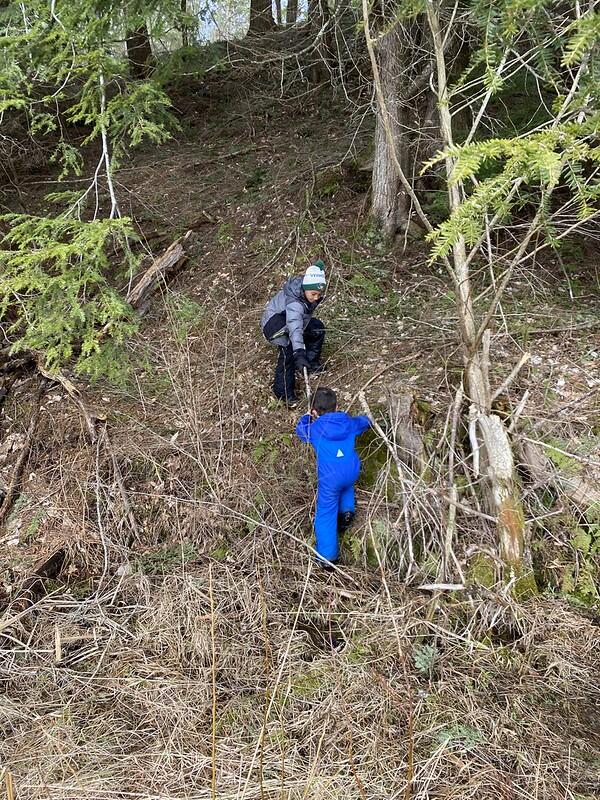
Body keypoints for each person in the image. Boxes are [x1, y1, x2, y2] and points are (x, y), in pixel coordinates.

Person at [295, 387, 371, 566]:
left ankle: (327, 557)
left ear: (315, 411)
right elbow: (364, 422)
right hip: (352, 470)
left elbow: (300, 430)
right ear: (336, 406)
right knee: (346, 485)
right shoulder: (348, 423)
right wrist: (366, 417)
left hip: (330, 477)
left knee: (325, 513)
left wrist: (307, 417)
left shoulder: (315, 429)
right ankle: (347, 513)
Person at [261, 260, 327, 406]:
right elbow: (295, 326)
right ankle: (283, 392)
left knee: (317, 328)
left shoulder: (305, 293)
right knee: (288, 352)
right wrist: (299, 351)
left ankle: (309, 363)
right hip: (274, 325)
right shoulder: (295, 303)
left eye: (319, 294)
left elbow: (299, 322)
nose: (316, 297)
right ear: (305, 289)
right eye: (314, 294)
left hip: (290, 320)